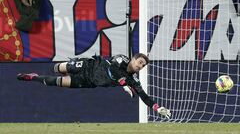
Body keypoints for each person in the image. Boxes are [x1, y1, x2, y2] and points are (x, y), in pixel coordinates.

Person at [17, 53, 171, 119]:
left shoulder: (133, 80)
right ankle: (59, 69)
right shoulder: (121, 59)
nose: (140, 66)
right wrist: (123, 83)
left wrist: (157, 108)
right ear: (133, 59)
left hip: (88, 81)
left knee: (53, 82)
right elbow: (113, 70)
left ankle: (34, 77)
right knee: (57, 68)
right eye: (140, 62)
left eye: (143, 66)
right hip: (87, 66)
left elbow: (143, 95)